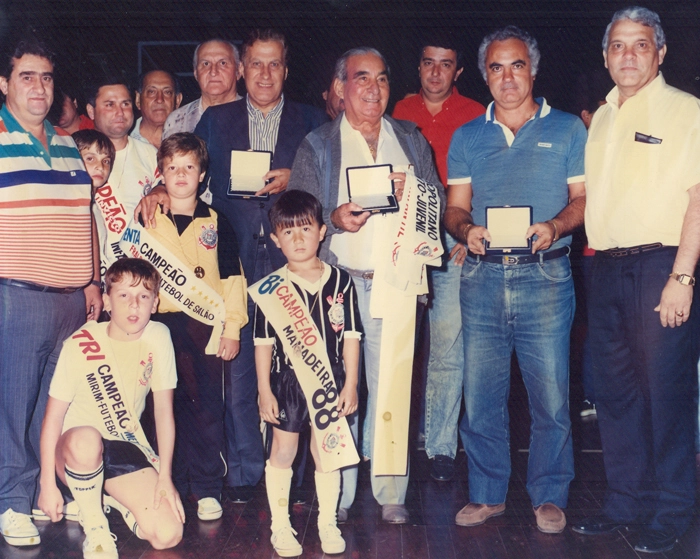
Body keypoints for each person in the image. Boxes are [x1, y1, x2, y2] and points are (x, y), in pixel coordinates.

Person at [289, 47, 444, 524]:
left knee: (393, 386)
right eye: (361, 78)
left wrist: (415, 194)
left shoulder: (411, 138)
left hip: (397, 285)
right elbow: (298, 218)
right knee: (338, 390)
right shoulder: (317, 143)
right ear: (340, 87)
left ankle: (391, 490)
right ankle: (337, 490)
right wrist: (332, 221)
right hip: (339, 286)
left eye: (380, 79)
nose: (372, 88)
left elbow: (435, 206)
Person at [445, 26, 586, 533]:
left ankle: (549, 494)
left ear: (534, 69)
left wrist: (554, 226)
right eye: (497, 67)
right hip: (481, 278)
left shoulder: (569, 128)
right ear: (485, 74)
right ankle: (486, 494)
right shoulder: (467, 136)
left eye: (517, 65)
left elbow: (582, 200)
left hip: (546, 278)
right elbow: (455, 209)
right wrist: (467, 230)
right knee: (481, 395)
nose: (508, 77)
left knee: (550, 396)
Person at [570, 7, 700, 554]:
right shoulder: (601, 116)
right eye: (618, 46)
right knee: (615, 394)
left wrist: (683, 277)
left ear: (661, 52)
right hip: (605, 265)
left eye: (640, 45)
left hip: (660, 266)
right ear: (605, 57)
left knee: (665, 395)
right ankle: (625, 501)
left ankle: (673, 508)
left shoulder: (686, 111)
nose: (628, 55)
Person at [0, 37, 101, 547]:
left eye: (46, 77)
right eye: (26, 76)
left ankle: (43, 494)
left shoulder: (67, 142)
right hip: (16, 296)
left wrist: (92, 281)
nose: (39, 87)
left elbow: (85, 217)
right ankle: (11, 503)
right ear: (4, 83)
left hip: (70, 302)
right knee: (11, 409)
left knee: (51, 409)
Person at [37, 258, 184, 559]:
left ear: (155, 303)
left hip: (124, 446)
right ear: (106, 301)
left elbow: (163, 414)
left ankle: (109, 499)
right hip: (74, 451)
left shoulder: (158, 336)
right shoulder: (81, 343)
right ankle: (95, 524)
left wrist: (165, 477)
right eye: (124, 296)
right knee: (88, 440)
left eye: (143, 296)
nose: (134, 306)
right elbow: (52, 418)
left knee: (168, 535)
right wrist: (46, 483)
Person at [392, 35, 485, 482]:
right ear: (418, 66)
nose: (435, 73)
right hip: (404, 242)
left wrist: (470, 231)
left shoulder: (476, 114)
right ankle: (389, 446)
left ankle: (441, 446)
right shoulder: (398, 111)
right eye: (428, 63)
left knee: (448, 345)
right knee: (396, 346)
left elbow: (484, 180)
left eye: (445, 65)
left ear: (458, 71)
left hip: (453, 244)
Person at [145, 133, 248, 520]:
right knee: (159, 404)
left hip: (204, 326)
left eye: (189, 166)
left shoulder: (218, 222)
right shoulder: (148, 217)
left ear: (202, 174)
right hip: (156, 325)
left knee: (205, 407)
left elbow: (233, 280)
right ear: (161, 174)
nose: (181, 174)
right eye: (172, 168)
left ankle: (206, 487)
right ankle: (164, 479)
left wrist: (233, 328)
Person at [253, 190, 360, 556]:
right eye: (288, 232)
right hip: (287, 383)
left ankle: (327, 523)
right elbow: (263, 344)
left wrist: (351, 382)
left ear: (321, 232)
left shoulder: (341, 282)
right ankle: (280, 527)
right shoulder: (271, 288)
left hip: (329, 380)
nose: (298, 239)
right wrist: (265, 390)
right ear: (275, 239)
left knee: (327, 452)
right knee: (283, 451)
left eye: (305, 229)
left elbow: (351, 336)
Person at [86, 77, 161, 275]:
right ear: (91, 111)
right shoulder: (74, 152)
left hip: (140, 270)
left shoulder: (152, 154)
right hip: (92, 271)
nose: (120, 112)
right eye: (109, 104)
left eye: (125, 104)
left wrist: (161, 189)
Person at [162, 39, 241, 139]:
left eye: (223, 63)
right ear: (196, 73)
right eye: (206, 64)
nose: (213, 72)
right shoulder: (178, 121)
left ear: (238, 71)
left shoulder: (253, 117)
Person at [131, 70, 182, 148]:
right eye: (151, 92)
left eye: (167, 92)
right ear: (138, 100)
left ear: (177, 100)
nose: (159, 99)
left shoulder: (190, 139)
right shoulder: (124, 140)